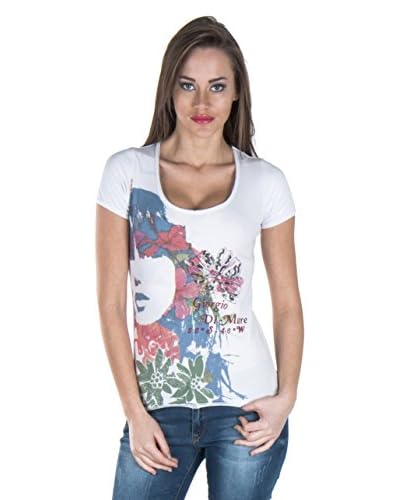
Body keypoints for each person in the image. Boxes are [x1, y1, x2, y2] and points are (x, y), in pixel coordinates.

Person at [95, 15, 304, 500]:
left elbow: (287, 304)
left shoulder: (266, 182)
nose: (202, 103)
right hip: (158, 408)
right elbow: (110, 304)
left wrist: (286, 398)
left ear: (237, 93)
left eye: (217, 86)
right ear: (169, 89)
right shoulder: (127, 172)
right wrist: (134, 412)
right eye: (188, 85)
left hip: (247, 407)